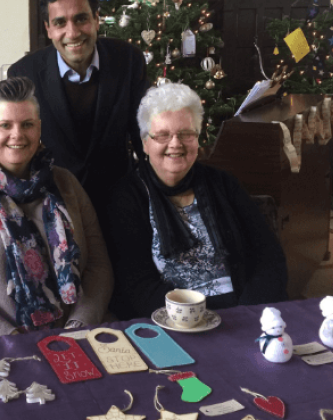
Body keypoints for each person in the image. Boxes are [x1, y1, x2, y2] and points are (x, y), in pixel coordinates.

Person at [0, 77, 113, 341]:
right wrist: (12, 339)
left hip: (75, 337)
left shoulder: (66, 183)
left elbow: (98, 265)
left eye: (27, 125)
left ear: (39, 128)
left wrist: (79, 326)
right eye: (5, 125)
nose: (17, 135)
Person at [103, 82, 288, 320]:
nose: (175, 144)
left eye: (186, 134)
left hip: (242, 312)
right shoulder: (126, 198)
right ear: (145, 143)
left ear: (198, 138)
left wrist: (249, 314)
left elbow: (269, 257)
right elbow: (136, 286)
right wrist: (197, 321)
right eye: (162, 135)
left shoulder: (224, 184)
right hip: (172, 322)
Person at [8, 0, 148, 219]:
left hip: (120, 202)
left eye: (81, 19)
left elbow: (144, 135)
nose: (72, 33)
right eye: (60, 23)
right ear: (48, 29)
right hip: (52, 204)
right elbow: (19, 149)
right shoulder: (23, 74)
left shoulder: (128, 61)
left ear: (96, 19)